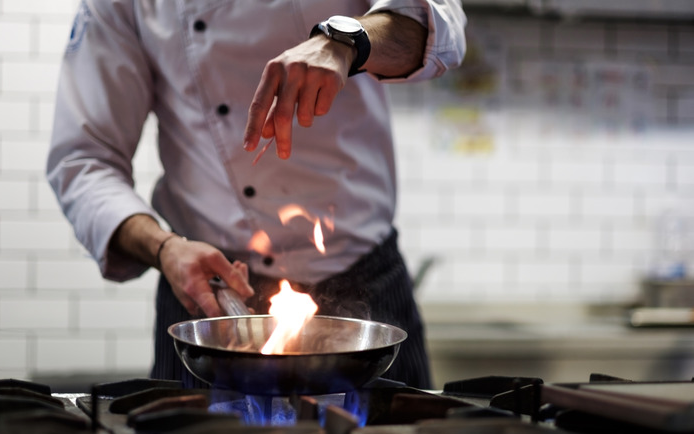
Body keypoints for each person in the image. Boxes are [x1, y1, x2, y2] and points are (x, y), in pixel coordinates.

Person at [47, 0, 466, 390]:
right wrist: (164, 249)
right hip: (209, 298)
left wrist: (346, 41)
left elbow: (440, 25)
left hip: (366, 288)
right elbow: (84, 161)